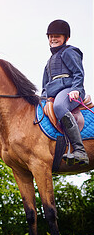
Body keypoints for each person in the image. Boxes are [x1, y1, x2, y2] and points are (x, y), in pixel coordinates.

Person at [41, 19, 89, 166]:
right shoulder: (49, 62)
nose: (53, 39)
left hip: (70, 90)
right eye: (51, 36)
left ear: (66, 38)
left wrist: (76, 89)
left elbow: (78, 73)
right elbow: (45, 84)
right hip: (53, 93)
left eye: (57, 36)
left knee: (60, 106)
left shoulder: (69, 51)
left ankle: (80, 150)